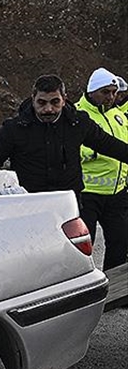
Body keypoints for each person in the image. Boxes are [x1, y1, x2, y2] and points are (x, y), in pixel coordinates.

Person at [0, 74, 128, 209]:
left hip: (68, 204)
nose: (48, 109)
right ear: (33, 99)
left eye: (55, 102)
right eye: (42, 102)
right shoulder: (14, 129)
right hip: (29, 205)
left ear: (64, 99)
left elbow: (108, 144)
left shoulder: (78, 123)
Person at [73, 68, 128, 270]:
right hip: (88, 194)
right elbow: (67, 148)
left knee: (120, 244)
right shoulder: (78, 114)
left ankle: (114, 285)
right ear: (92, 91)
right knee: (83, 247)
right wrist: (91, 152)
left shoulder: (118, 116)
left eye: (114, 92)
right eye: (105, 92)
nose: (111, 97)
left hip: (117, 193)